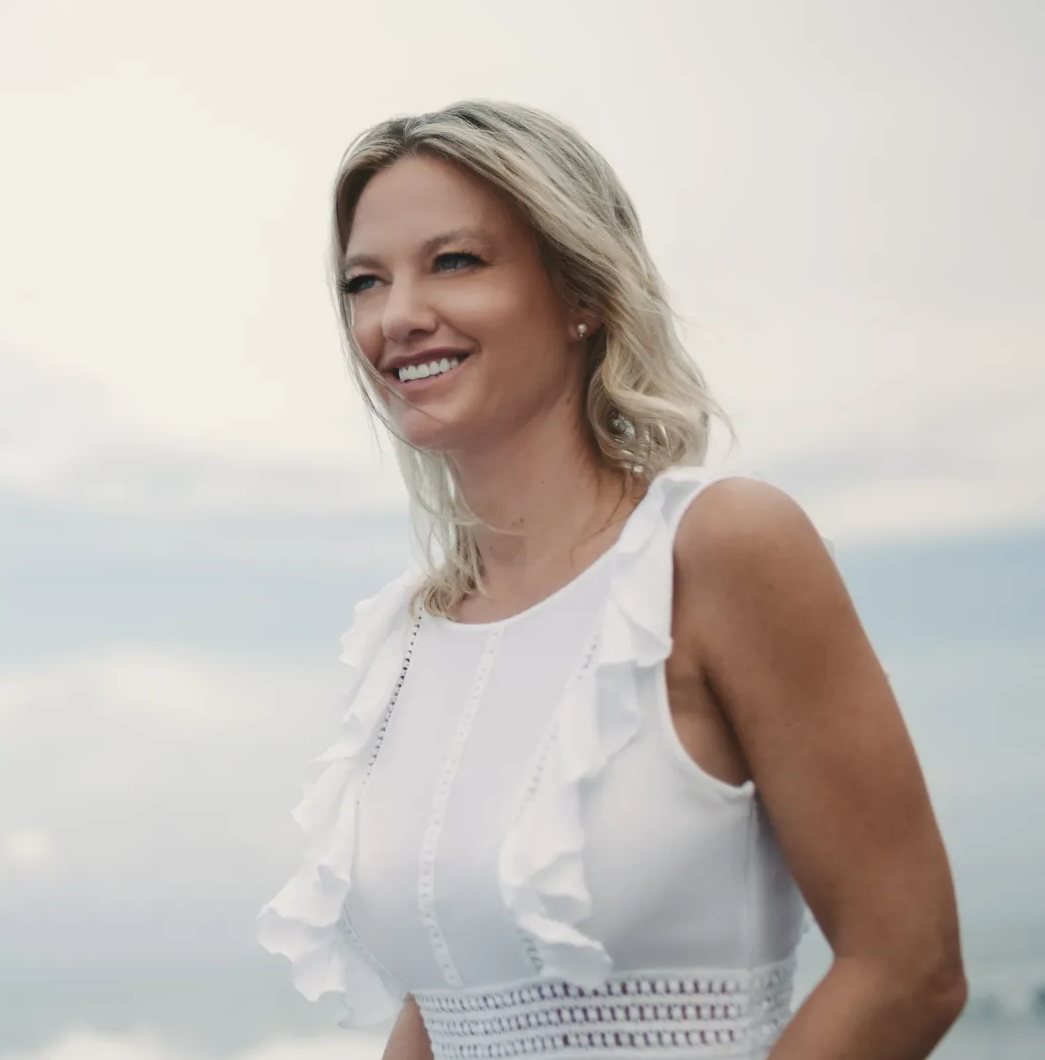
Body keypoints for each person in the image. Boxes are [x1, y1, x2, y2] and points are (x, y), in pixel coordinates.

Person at [255, 101, 967, 1058]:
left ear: (580, 291)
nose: (397, 314)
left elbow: (907, 967)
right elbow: (451, 994)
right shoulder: (407, 635)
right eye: (364, 281)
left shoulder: (718, 549)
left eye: (454, 261)